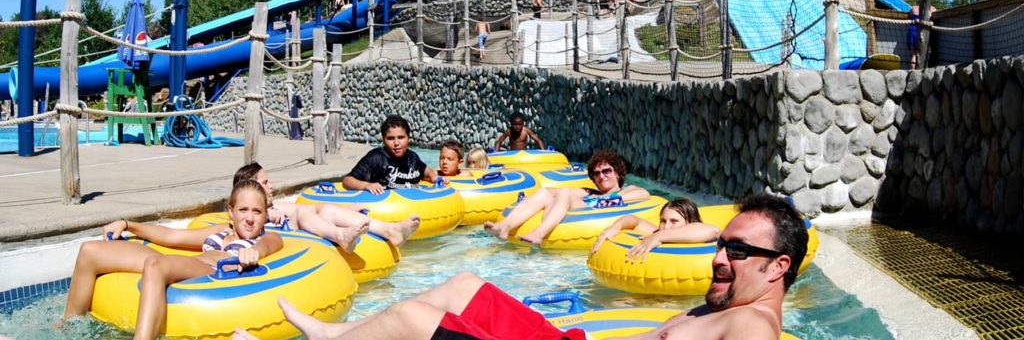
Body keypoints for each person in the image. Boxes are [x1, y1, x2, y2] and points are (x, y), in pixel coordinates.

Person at [233, 193, 807, 340]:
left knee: (413, 319)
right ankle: (335, 331)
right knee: (463, 283)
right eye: (721, 244)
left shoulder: (753, 325)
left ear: (779, 267)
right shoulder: (730, 305)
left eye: (736, 251)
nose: (718, 258)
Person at [64, 180, 283, 340]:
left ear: (265, 215)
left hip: (209, 271)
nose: (250, 218)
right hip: (185, 263)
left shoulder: (266, 237)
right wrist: (127, 224)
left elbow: (267, 246)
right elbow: (172, 236)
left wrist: (253, 252)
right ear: (231, 211)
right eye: (243, 210)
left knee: (155, 264)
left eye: (257, 211)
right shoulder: (221, 231)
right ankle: (67, 328)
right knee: (89, 250)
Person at [233, 163, 420, 249]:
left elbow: (314, 208)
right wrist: (264, 216)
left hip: (305, 229)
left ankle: (390, 229)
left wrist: (346, 210)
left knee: (325, 210)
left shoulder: (276, 206)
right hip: (288, 243)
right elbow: (303, 211)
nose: (271, 186)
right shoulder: (251, 216)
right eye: (266, 182)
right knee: (303, 212)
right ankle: (340, 236)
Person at [483, 150, 650, 245]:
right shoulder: (588, 192)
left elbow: (643, 195)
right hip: (584, 206)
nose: (601, 176)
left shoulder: (627, 190)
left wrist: (602, 200)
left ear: (618, 173)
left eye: (606, 171)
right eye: (596, 173)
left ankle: (540, 233)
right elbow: (554, 190)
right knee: (546, 192)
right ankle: (504, 227)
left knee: (564, 193)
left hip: (597, 216)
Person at [592, 197, 720, 261]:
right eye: (663, 221)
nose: (666, 226)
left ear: (691, 222)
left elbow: (714, 230)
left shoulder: (698, 233)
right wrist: (616, 227)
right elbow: (634, 220)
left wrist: (660, 237)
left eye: (674, 221)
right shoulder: (655, 233)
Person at [342, 115, 441, 194]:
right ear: (384, 140)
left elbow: (425, 169)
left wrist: (433, 176)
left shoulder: (412, 157)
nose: (396, 143)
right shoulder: (376, 158)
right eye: (390, 138)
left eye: (401, 137)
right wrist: (366, 186)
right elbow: (347, 181)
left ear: (408, 138)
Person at [907, 4, 920, 69]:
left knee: (913, 54)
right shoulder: (932, 8)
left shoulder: (913, 7)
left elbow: (909, 14)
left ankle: (913, 70)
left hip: (912, 31)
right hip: (920, 32)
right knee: (917, 54)